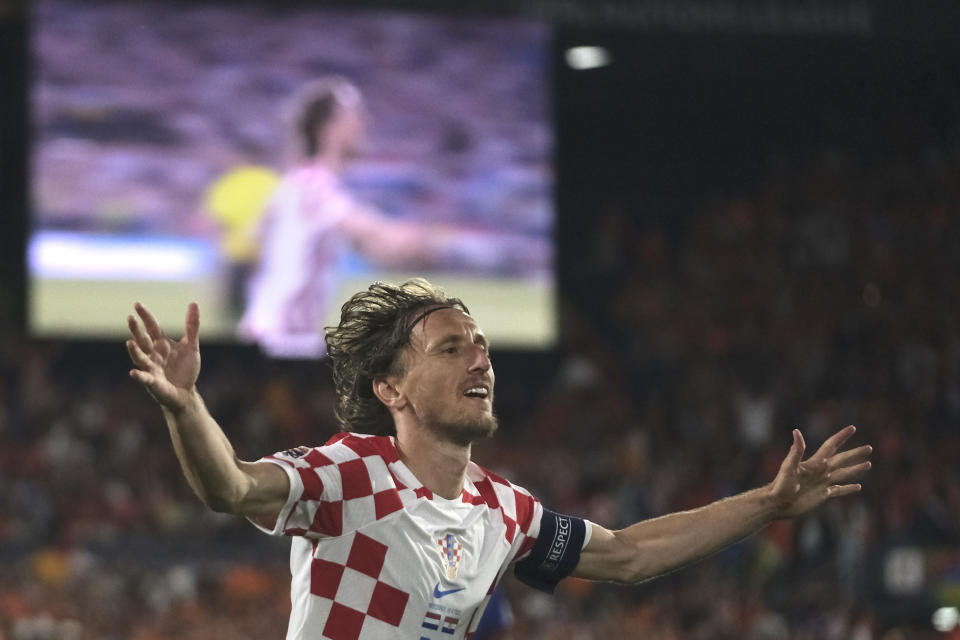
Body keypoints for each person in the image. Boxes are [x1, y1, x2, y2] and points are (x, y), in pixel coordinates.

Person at [126, 278, 872, 640]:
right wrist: (187, 407)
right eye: (451, 348)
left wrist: (767, 504)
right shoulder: (348, 472)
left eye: (480, 345)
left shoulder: (503, 510)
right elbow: (228, 487)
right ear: (392, 387)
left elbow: (634, 554)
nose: (478, 360)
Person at [238, 78, 548, 358]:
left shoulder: (301, 183)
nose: (365, 123)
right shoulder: (312, 186)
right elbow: (382, 239)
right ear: (329, 128)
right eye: (356, 115)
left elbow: (377, 249)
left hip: (285, 339)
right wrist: (458, 244)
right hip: (277, 342)